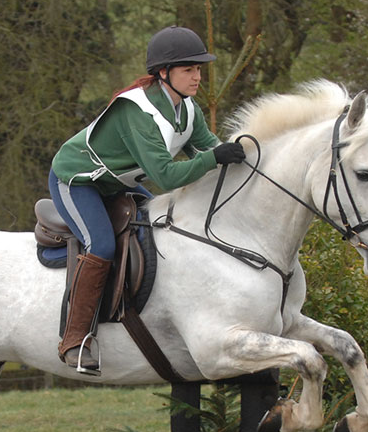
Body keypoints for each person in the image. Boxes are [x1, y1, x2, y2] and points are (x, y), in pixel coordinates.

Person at [49, 25, 246, 374]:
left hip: (116, 183)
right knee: (102, 246)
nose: (197, 77)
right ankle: (75, 341)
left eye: (199, 69)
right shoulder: (136, 111)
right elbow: (167, 176)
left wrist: (240, 156)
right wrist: (214, 159)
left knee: (160, 226)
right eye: (189, 69)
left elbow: (208, 147)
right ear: (164, 73)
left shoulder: (186, 109)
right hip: (78, 181)